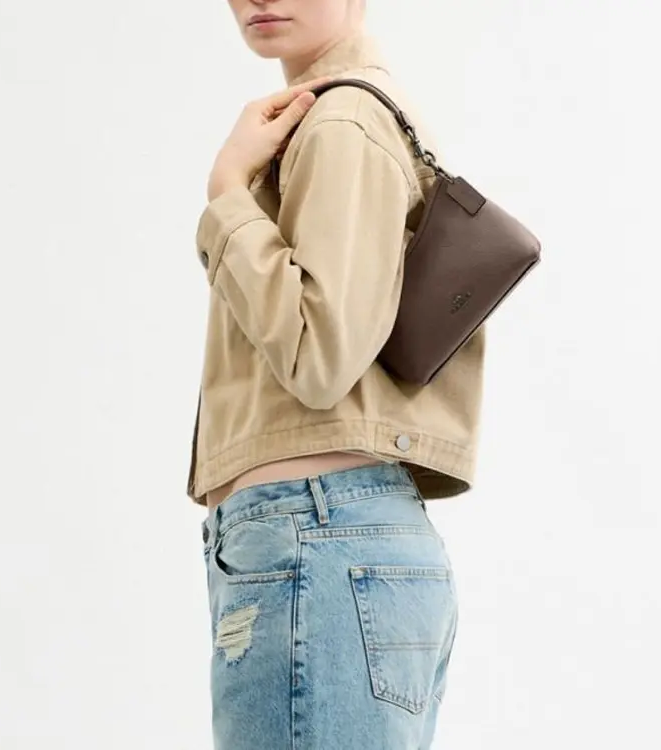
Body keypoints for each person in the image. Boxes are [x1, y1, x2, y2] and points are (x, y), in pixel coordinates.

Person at [186, 1, 486, 747]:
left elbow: (319, 356)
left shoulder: (342, 122)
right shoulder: (344, 119)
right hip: (333, 540)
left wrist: (228, 193)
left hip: (315, 538)